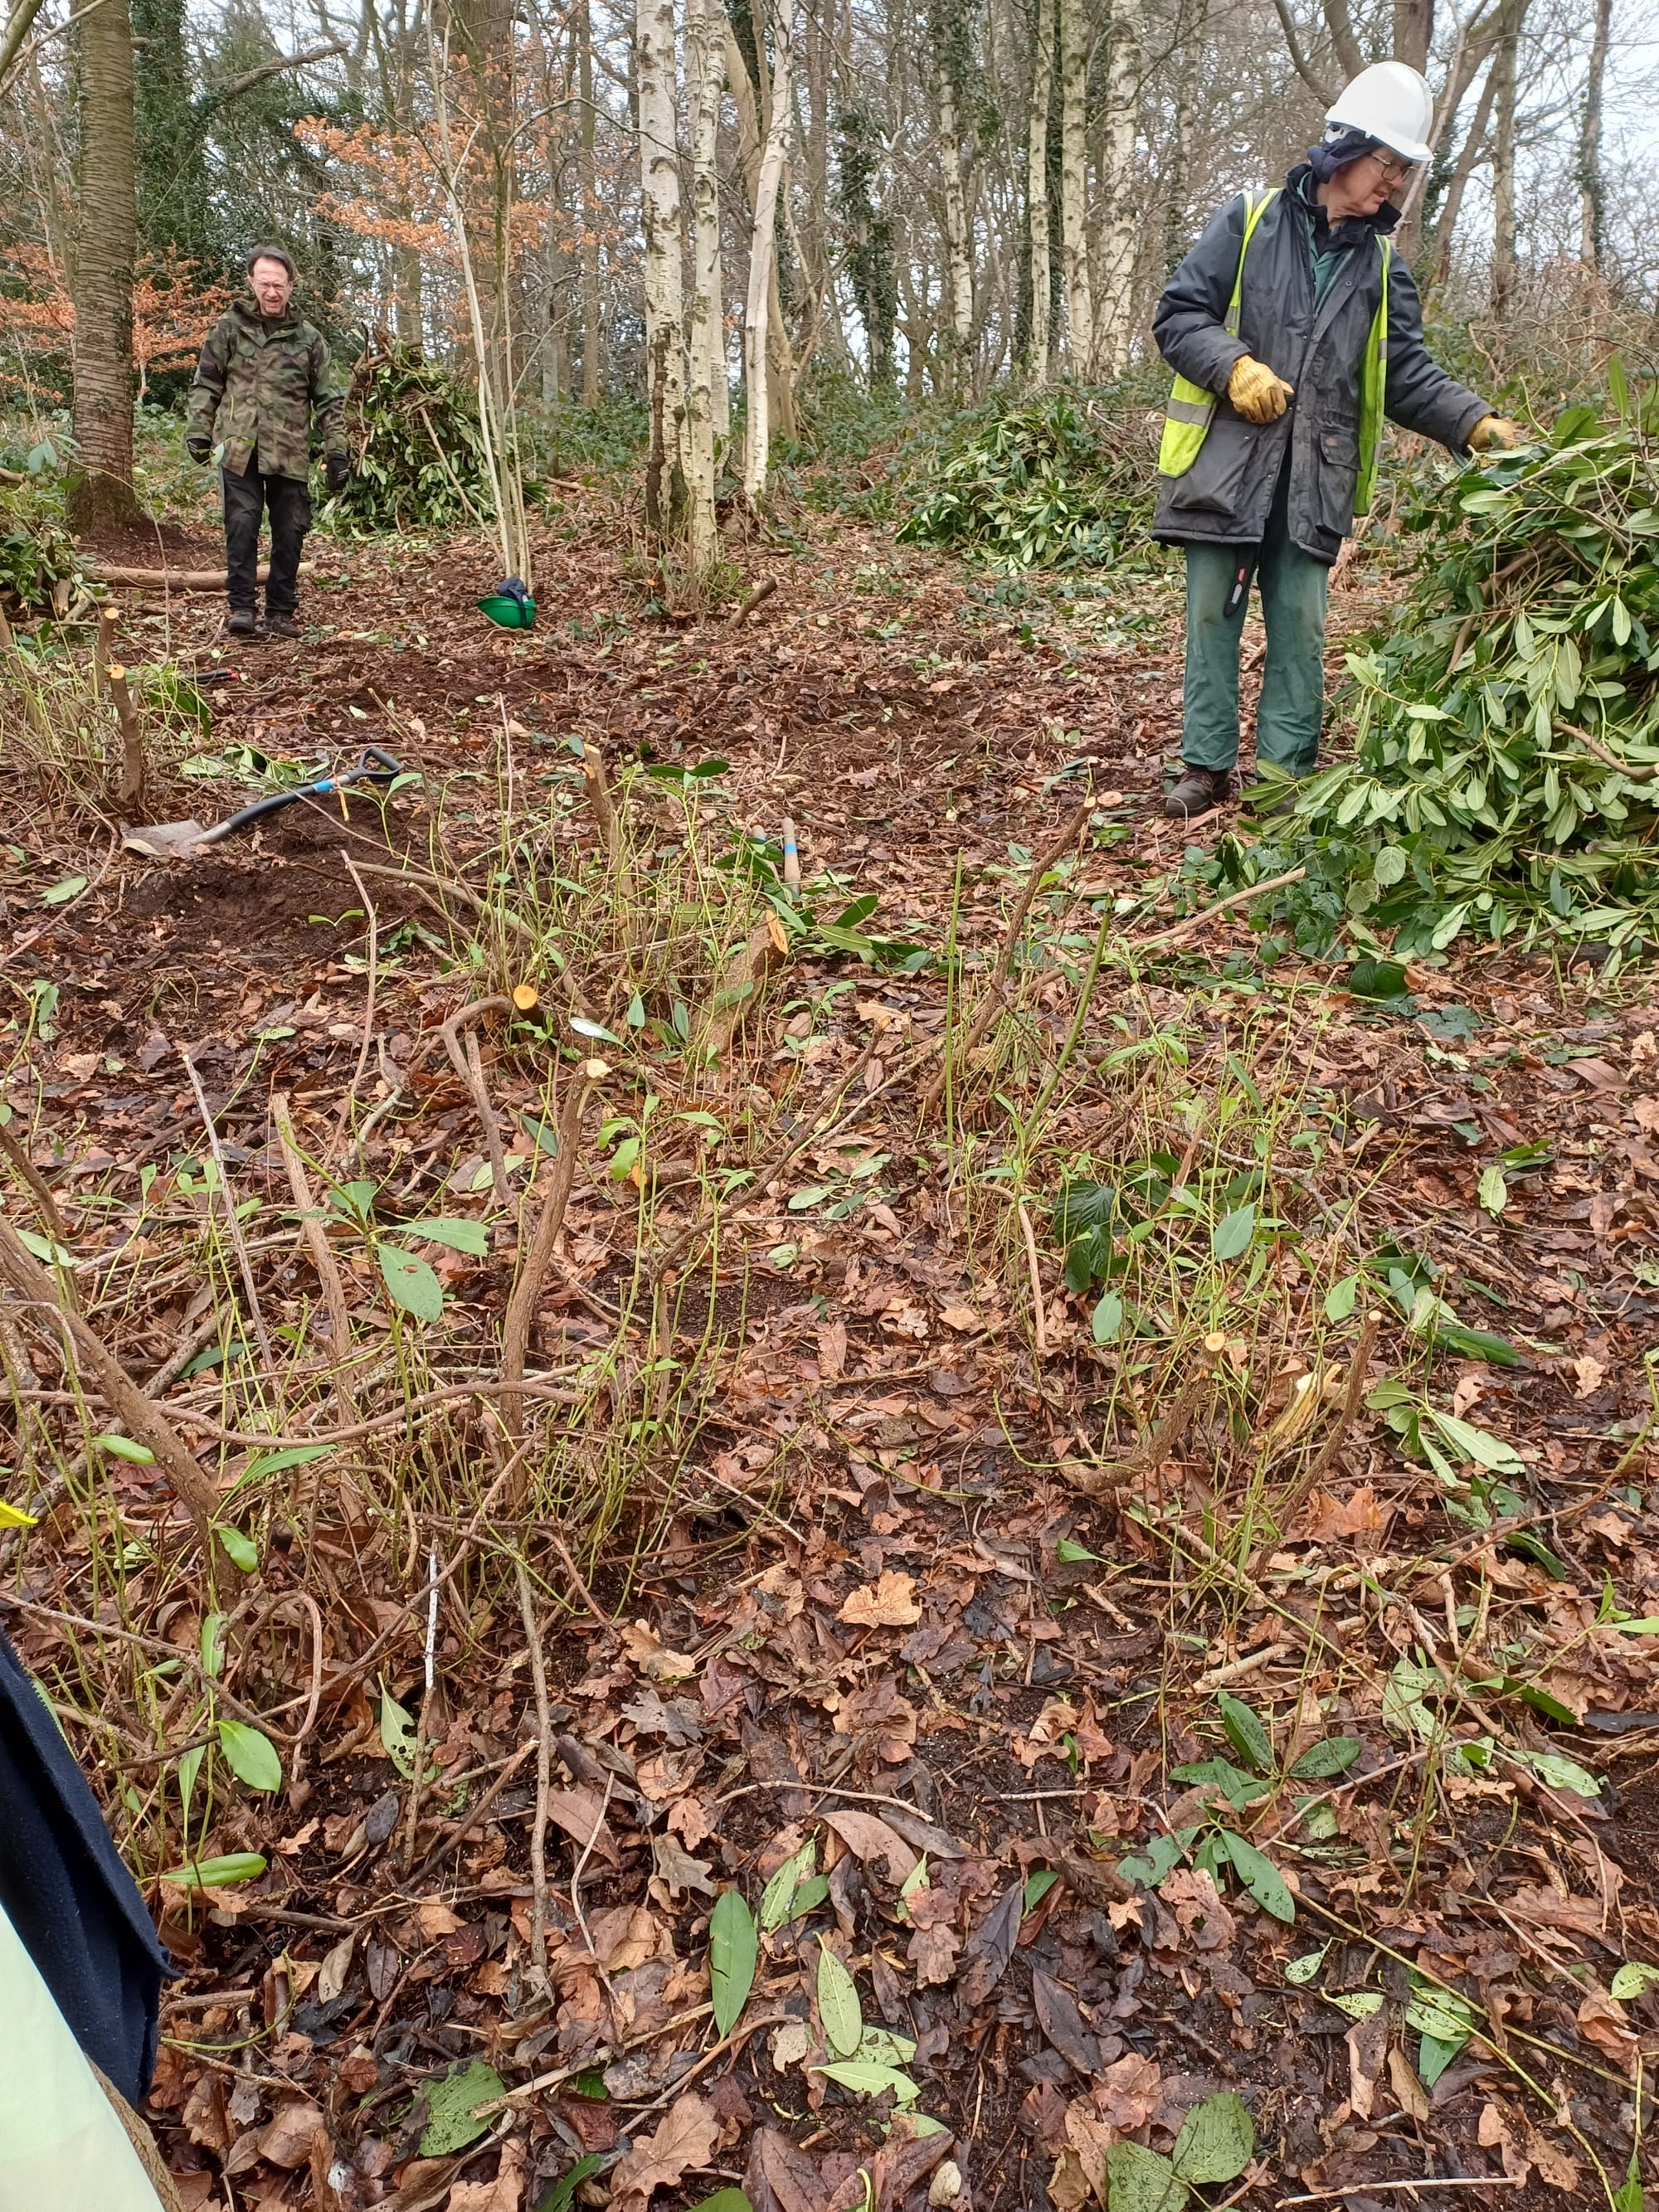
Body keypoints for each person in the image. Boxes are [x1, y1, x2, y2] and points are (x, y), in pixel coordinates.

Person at [1151, 61, 1520, 819]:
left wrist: (1472, 421)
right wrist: (1233, 367)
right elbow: (1180, 315)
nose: (1395, 182)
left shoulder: (1383, 269)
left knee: (1301, 625)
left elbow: (1406, 373)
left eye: (1404, 170)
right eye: (1388, 163)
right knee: (1213, 613)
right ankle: (1204, 766)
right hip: (1226, 465)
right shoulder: (1249, 221)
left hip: (1315, 477)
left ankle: (1283, 778)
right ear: (1346, 149)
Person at [185, 246, 348, 641]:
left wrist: (337, 449)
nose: (272, 292)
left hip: (289, 451)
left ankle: (279, 611)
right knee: (241, 524)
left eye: (279, 285)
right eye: (264, 284)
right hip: (238, 448)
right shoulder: (228, 329)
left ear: (291, 285)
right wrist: (198, 430)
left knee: (290, 530)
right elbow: (207, 382)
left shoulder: (309, 339)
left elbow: (328, 398)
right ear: (251, 283)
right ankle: (241, 607)